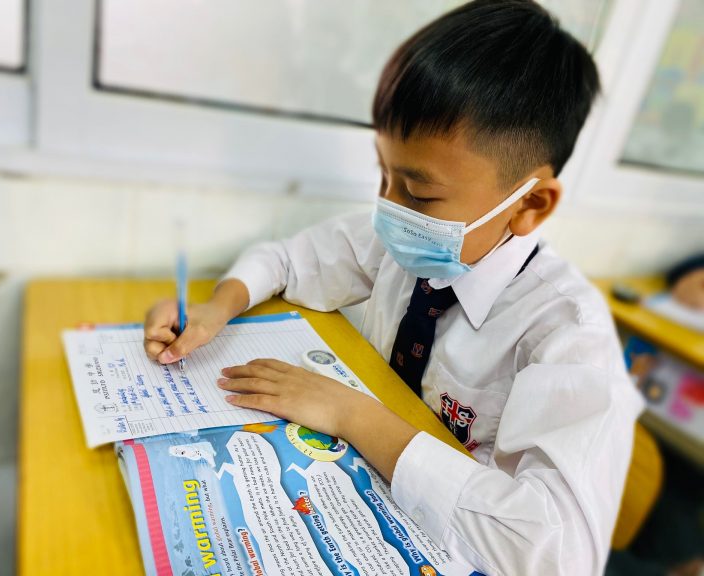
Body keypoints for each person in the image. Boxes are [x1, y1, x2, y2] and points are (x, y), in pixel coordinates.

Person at [144, 1, 643, 574]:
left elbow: (557, 555)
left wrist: (352, 414)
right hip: (363, 500)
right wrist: (218, 305)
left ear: (530, 204)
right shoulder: (404, 241)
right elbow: (286, 260)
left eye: (419, 193)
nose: (389, 208)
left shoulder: (569, 337)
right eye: (384, 175)